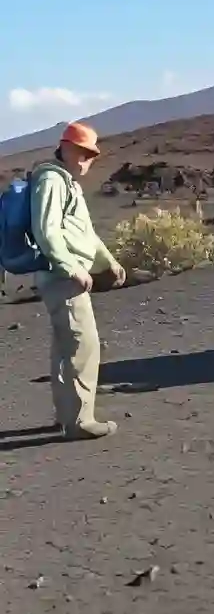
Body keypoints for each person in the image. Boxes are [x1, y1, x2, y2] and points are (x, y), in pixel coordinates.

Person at [30, 122, 124, 441]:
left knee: (67, 348)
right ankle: (79, 422)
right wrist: (70, 267)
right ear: (65, 148)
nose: (86, 160)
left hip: (63, 276)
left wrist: (108, 262)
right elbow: (47, 230)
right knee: (82, 347)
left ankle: (67, 416)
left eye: (90, 155)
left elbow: (85, 234)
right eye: (81, 153)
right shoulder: (51, 180)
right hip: (62, 278)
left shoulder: (67, 183)